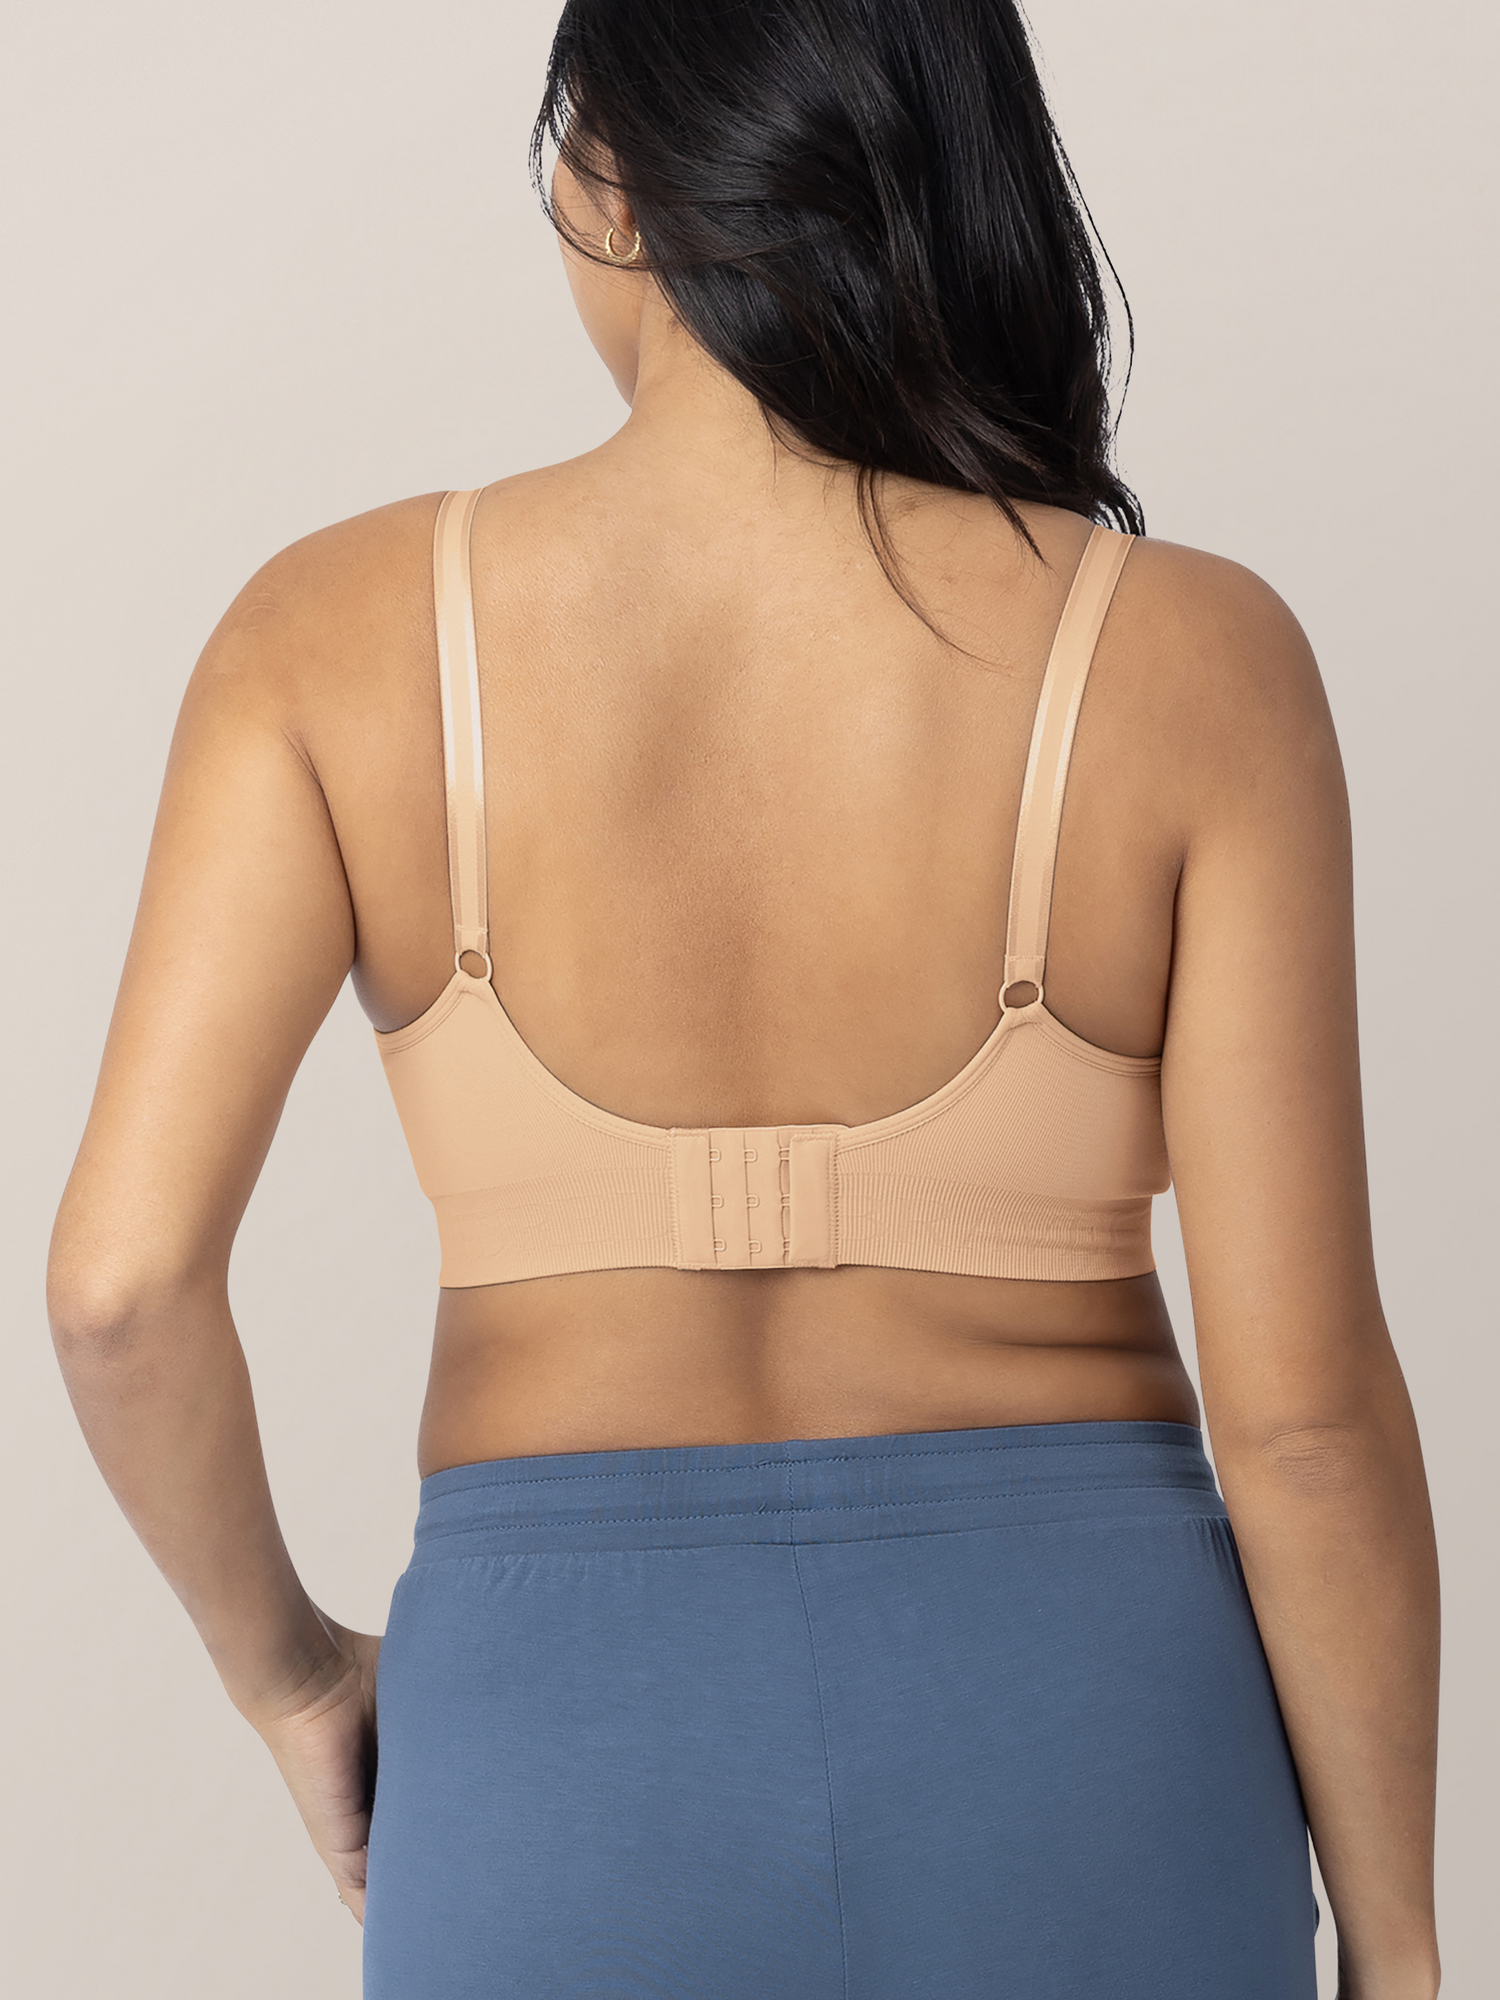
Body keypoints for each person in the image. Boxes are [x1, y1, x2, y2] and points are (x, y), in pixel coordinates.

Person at [47, 2, 1439, 1995]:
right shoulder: (1192, 659)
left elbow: (117, 1291)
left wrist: (292, 1678)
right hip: (1084, 1741)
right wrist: (1399, 1947)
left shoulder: (328, 641)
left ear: (608, 181)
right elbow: (1303, 1424)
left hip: (557, 1757)